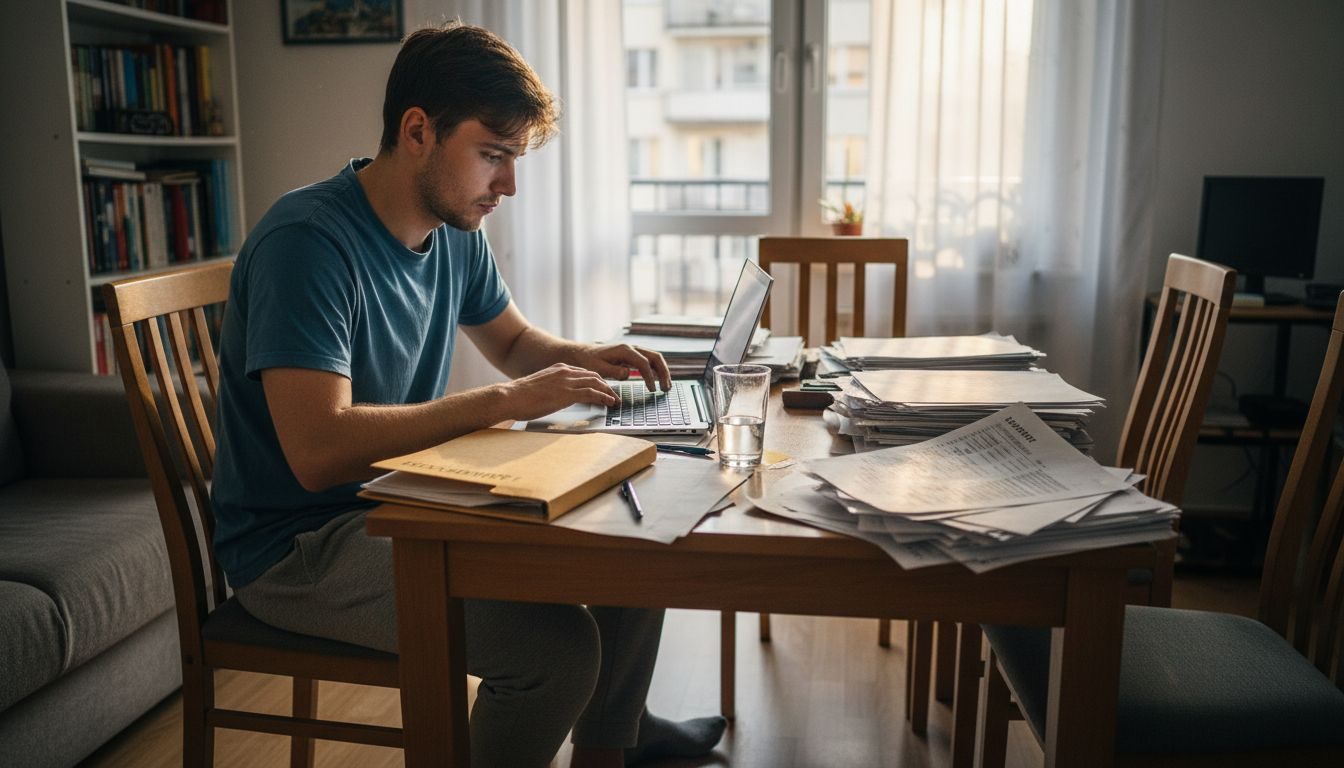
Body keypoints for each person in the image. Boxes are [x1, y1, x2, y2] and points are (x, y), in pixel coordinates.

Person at [211, 21, 725, 768]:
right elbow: (318, 454)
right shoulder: (308, 243)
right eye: (493, 156)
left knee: (634, 551)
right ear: (418, 131)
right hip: (301, 547)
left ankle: (615, 748)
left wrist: (587, 357)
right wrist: (504, 401)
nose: (508, 186)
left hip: (404, 502)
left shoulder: (455, 228)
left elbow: (513, 343)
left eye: (513, 160)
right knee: (559, 655)